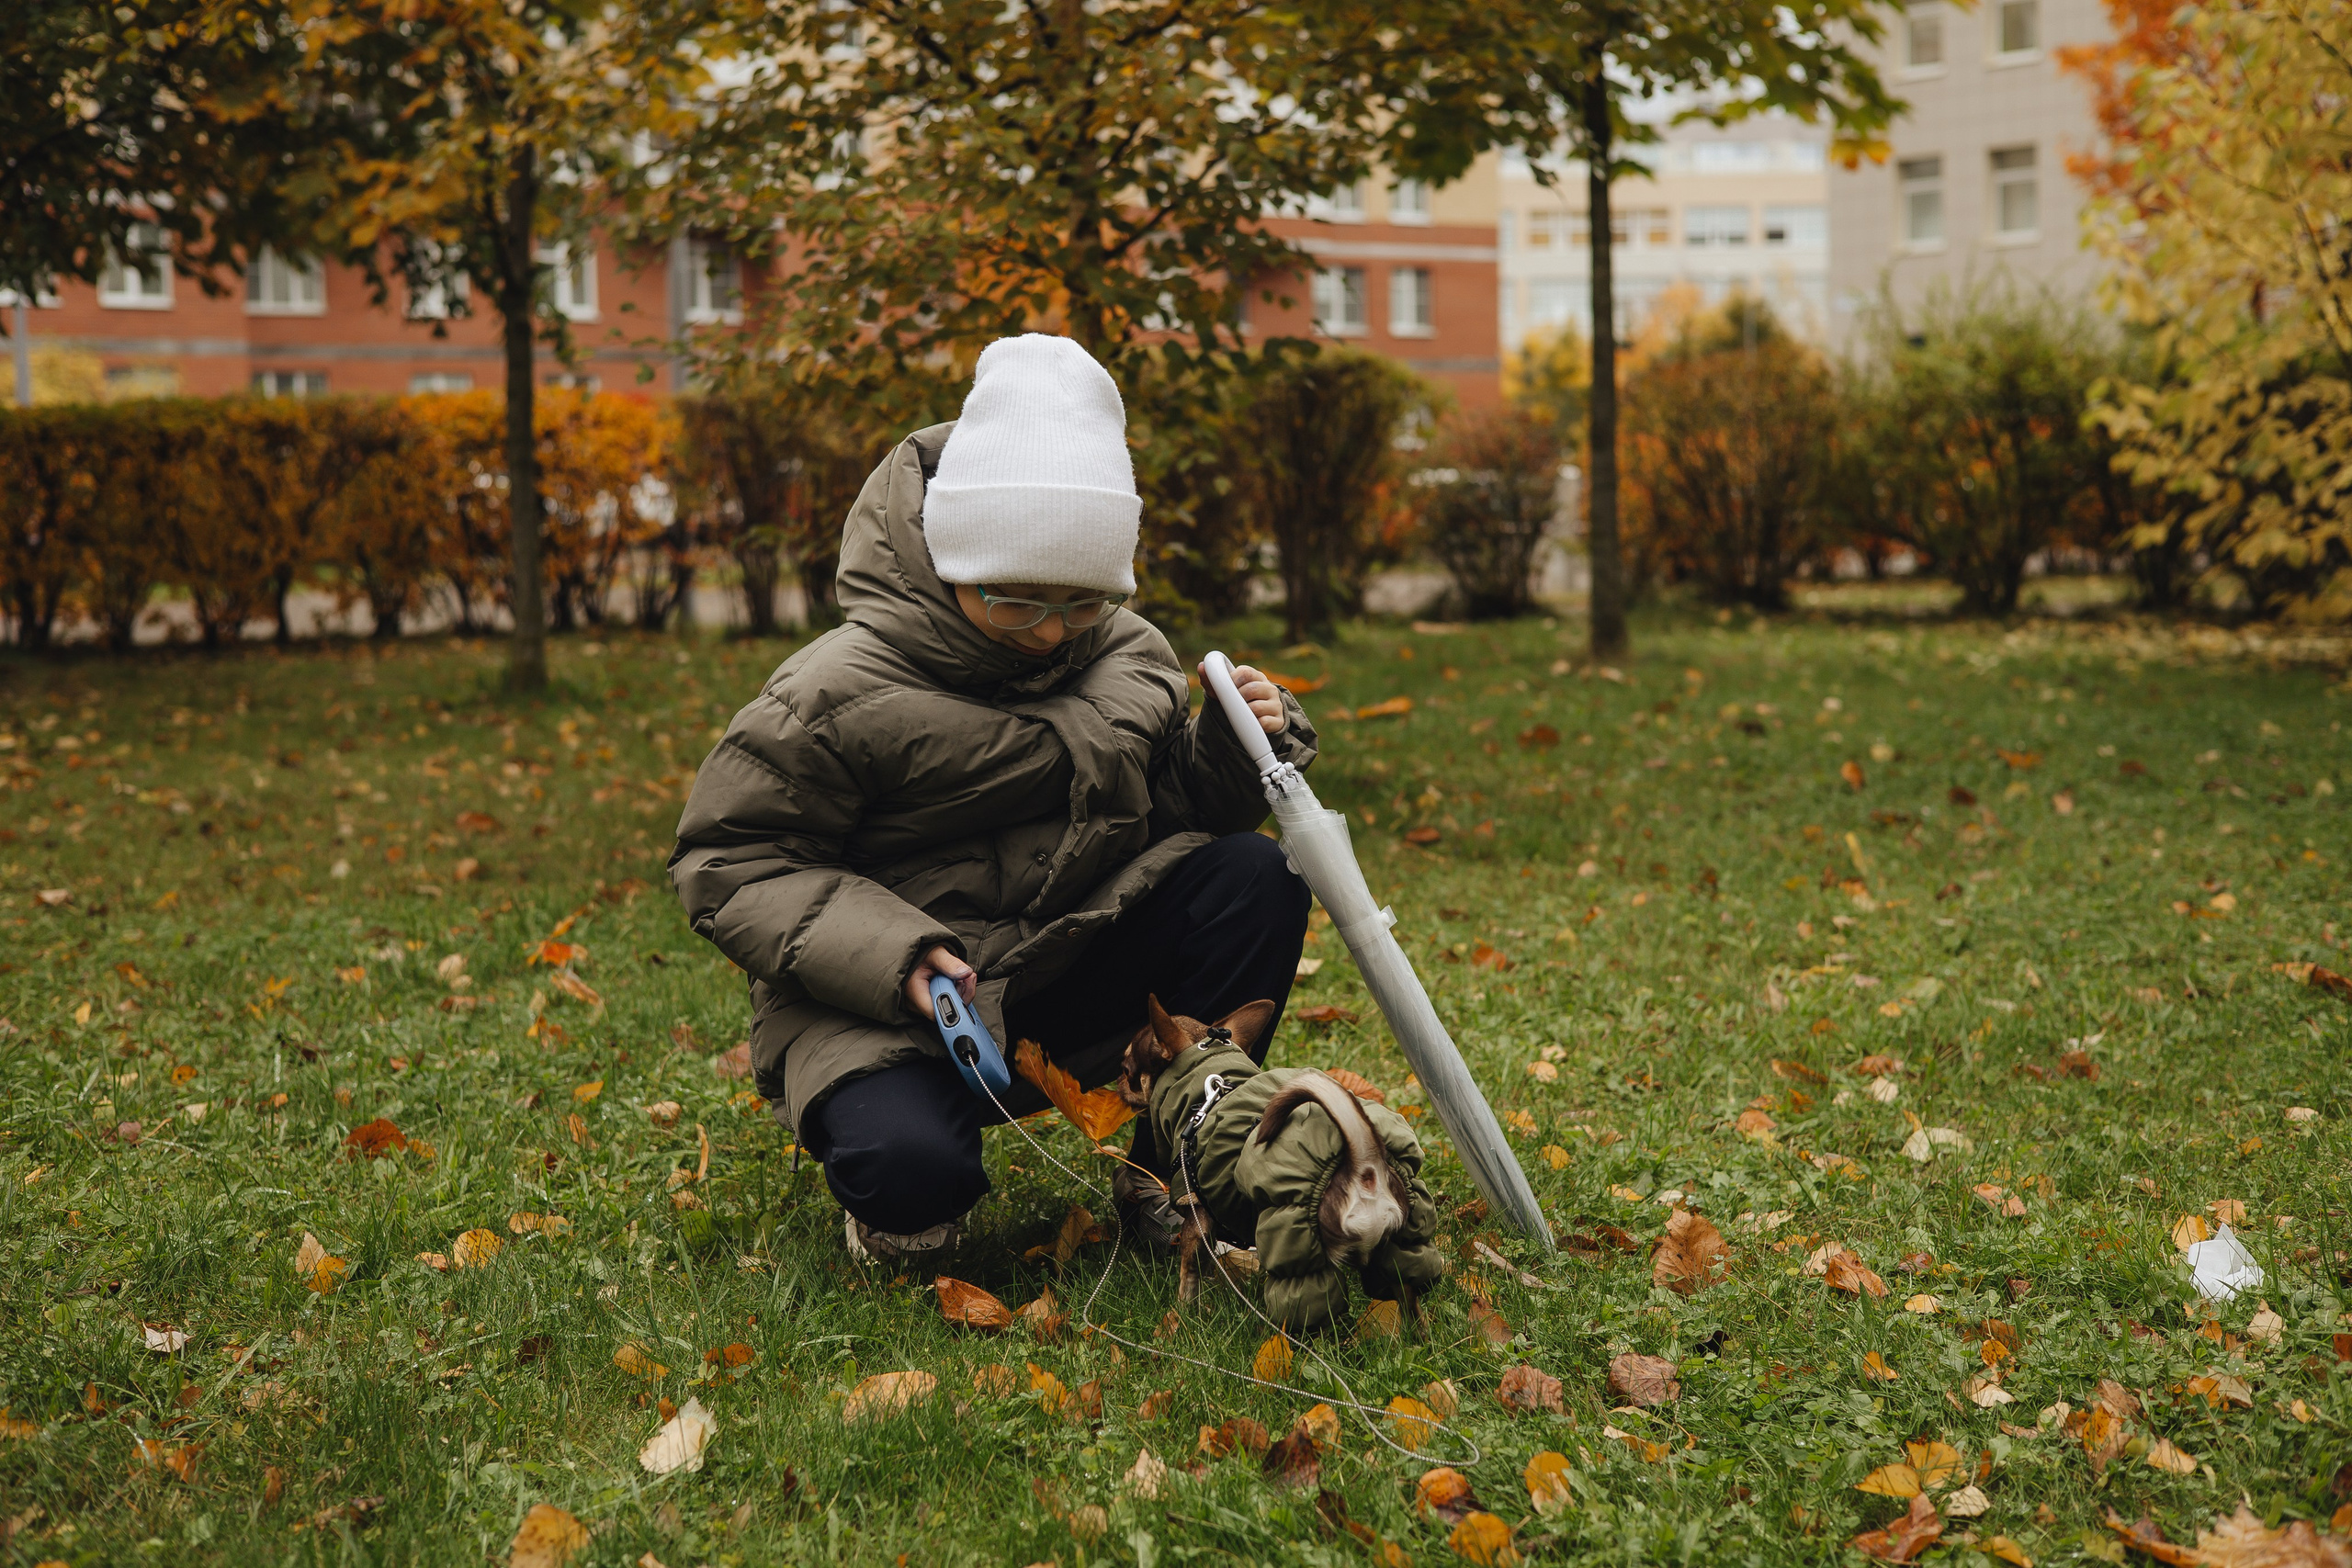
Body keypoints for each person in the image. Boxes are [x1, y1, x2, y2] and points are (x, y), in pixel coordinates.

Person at [669, 333, 1317, 1265]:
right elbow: (729, 858)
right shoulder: (832, 693)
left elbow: (1176, 813)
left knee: (1254, 873)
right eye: (1017, 601)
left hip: (1067, 961)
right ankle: (900, 1194)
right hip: (898, 1008)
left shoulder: (1126, 653)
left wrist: (1229, 740)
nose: (1050, 632)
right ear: (954, 561)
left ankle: (1180, 1164)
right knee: (911, 1173)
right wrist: (893, 954)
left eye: (1080, 603)